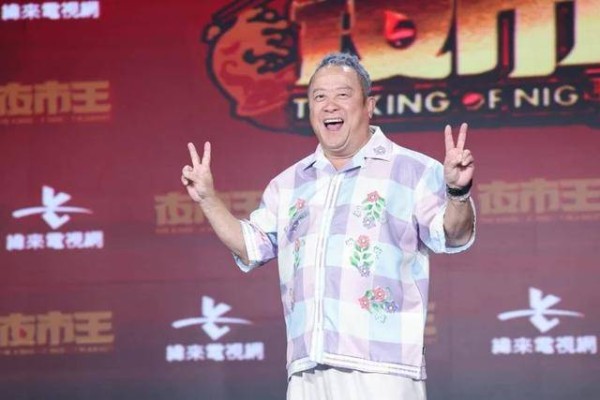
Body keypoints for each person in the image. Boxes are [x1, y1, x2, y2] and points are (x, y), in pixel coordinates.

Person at [181, 53, 475, 400]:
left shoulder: (414, 170)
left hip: (382, 370)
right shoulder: (289, 183)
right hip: (307, 370)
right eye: (319, 96)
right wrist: (208, 199)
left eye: (342, 94)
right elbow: (250, 246)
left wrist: (458, 192)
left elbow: (453, 235)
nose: (329, 105)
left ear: (369, 105)